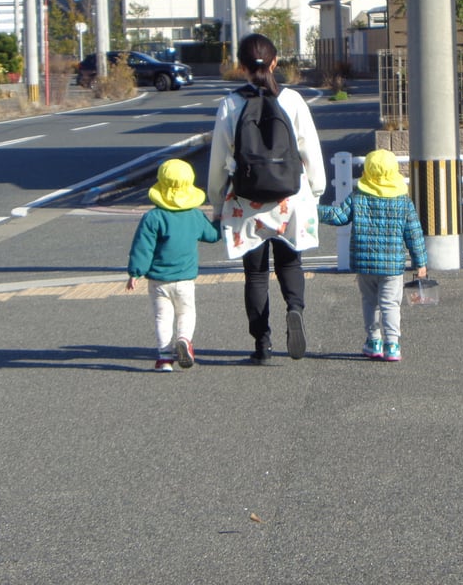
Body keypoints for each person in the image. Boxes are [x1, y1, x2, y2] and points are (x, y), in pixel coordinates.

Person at [207, 34, 326, 365]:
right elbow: (311, 151)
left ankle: (262, 344)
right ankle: (295, 309)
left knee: (256, 274)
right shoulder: (293, 100)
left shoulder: (230, 105)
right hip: (290, 196)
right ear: (275, 63)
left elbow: (218, 161)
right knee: (290, 263)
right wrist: (315, 191)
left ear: (241, 66)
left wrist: (217, 202)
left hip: (247, 201)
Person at [317, 149, 427, 362]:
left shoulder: (358, 197)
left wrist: (313, 211)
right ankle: (392, 344)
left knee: (370, 301)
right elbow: (414, 234)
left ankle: (374, 341)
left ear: (367, 171)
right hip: (392, 265)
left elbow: (338, 216)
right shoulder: (403, 201)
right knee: (390, 304)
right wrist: (420, 262)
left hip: (364, 263)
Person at [126, 159, 221, 372]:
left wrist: (135, 273)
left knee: (162, 317)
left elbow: (143, 248)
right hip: (185, 279)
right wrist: (218, 220)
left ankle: (164, 358)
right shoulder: (195, 216)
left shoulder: (152, 217)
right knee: (186, 313)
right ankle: (184, 339)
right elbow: (213, 235)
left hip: (158, 280)